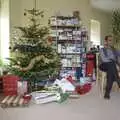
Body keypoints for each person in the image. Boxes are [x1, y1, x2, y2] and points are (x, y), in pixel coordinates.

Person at [99, 35, 120, 99]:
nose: (111, 42)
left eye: (112, 40)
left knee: (111, 71)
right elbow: (104, 59)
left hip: (112, 66)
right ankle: (118, 81)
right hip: (104, 65)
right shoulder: (102, 49)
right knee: (112, 64)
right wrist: (112, 61)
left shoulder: (115, 49)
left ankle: (107, 93)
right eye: (109, 40)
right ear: (106, 41)